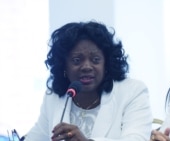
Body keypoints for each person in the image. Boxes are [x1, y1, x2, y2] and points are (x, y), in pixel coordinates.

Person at [24, 20, 153, 141]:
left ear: (106, 64)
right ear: (63, 66)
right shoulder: (55, 97)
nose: (86, 67)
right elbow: (37, 136)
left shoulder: (132, 92)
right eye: (76, 60)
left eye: (95, 60)